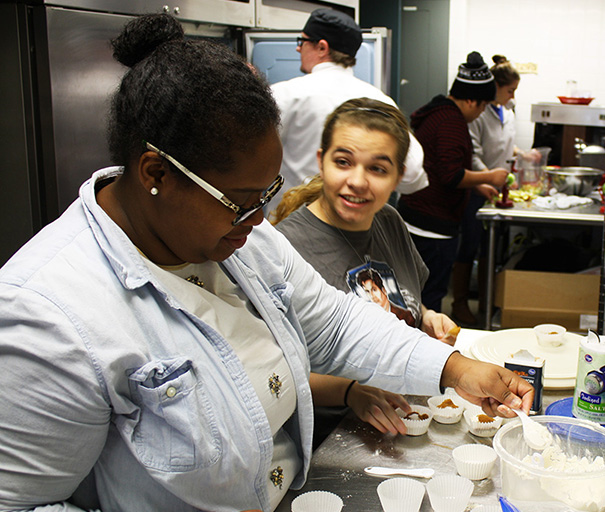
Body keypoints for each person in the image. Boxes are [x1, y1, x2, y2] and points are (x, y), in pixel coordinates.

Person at [0, 15, 533, 512]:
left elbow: (334, 323)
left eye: (267, 193)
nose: (258, 219)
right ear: (155, 173)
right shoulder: (47, 315)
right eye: (240, 200)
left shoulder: (237, 237)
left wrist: (456, 368)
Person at [272, 98, 458, 441]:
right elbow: (275, 371)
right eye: (343, 162)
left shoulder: (388, 221)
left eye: (377, 168)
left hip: (406, 420)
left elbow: (403, 298)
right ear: (321, 161)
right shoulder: (285, 247)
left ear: (398, 177)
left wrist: (427, 317)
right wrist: (350, 392)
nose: (357, 181)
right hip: (330, 438)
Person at [268, 8, 428, 213]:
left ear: (322, 47)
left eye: (302, 41)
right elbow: (414, 175)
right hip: (357, 227)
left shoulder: (285, 94)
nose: (298, 49)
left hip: (291, 224)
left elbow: (248, 161)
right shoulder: (379, 101)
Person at [397, 51, 510, 312]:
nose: (481, 112)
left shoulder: (438, 113)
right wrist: (489, 176)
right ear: (471, 100)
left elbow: (442, 168)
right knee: (430, 297)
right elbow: (451, 175)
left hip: (419, 218)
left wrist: (478, 184)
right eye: (482, 106)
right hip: (431, 225)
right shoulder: (451, 122)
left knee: (419, 294)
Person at [451, 55, 522, 325]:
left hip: (495, 186)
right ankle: (459, 304)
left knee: (489, 250)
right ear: (494, 90)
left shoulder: (508, 111)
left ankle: (487, 302)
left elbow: (503, 144)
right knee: (469, 245)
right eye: (510, 90)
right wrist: (488, 177)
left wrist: (521, 155)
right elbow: (474, 154)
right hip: (476, 188)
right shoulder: (478, 115)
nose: (513, 96)